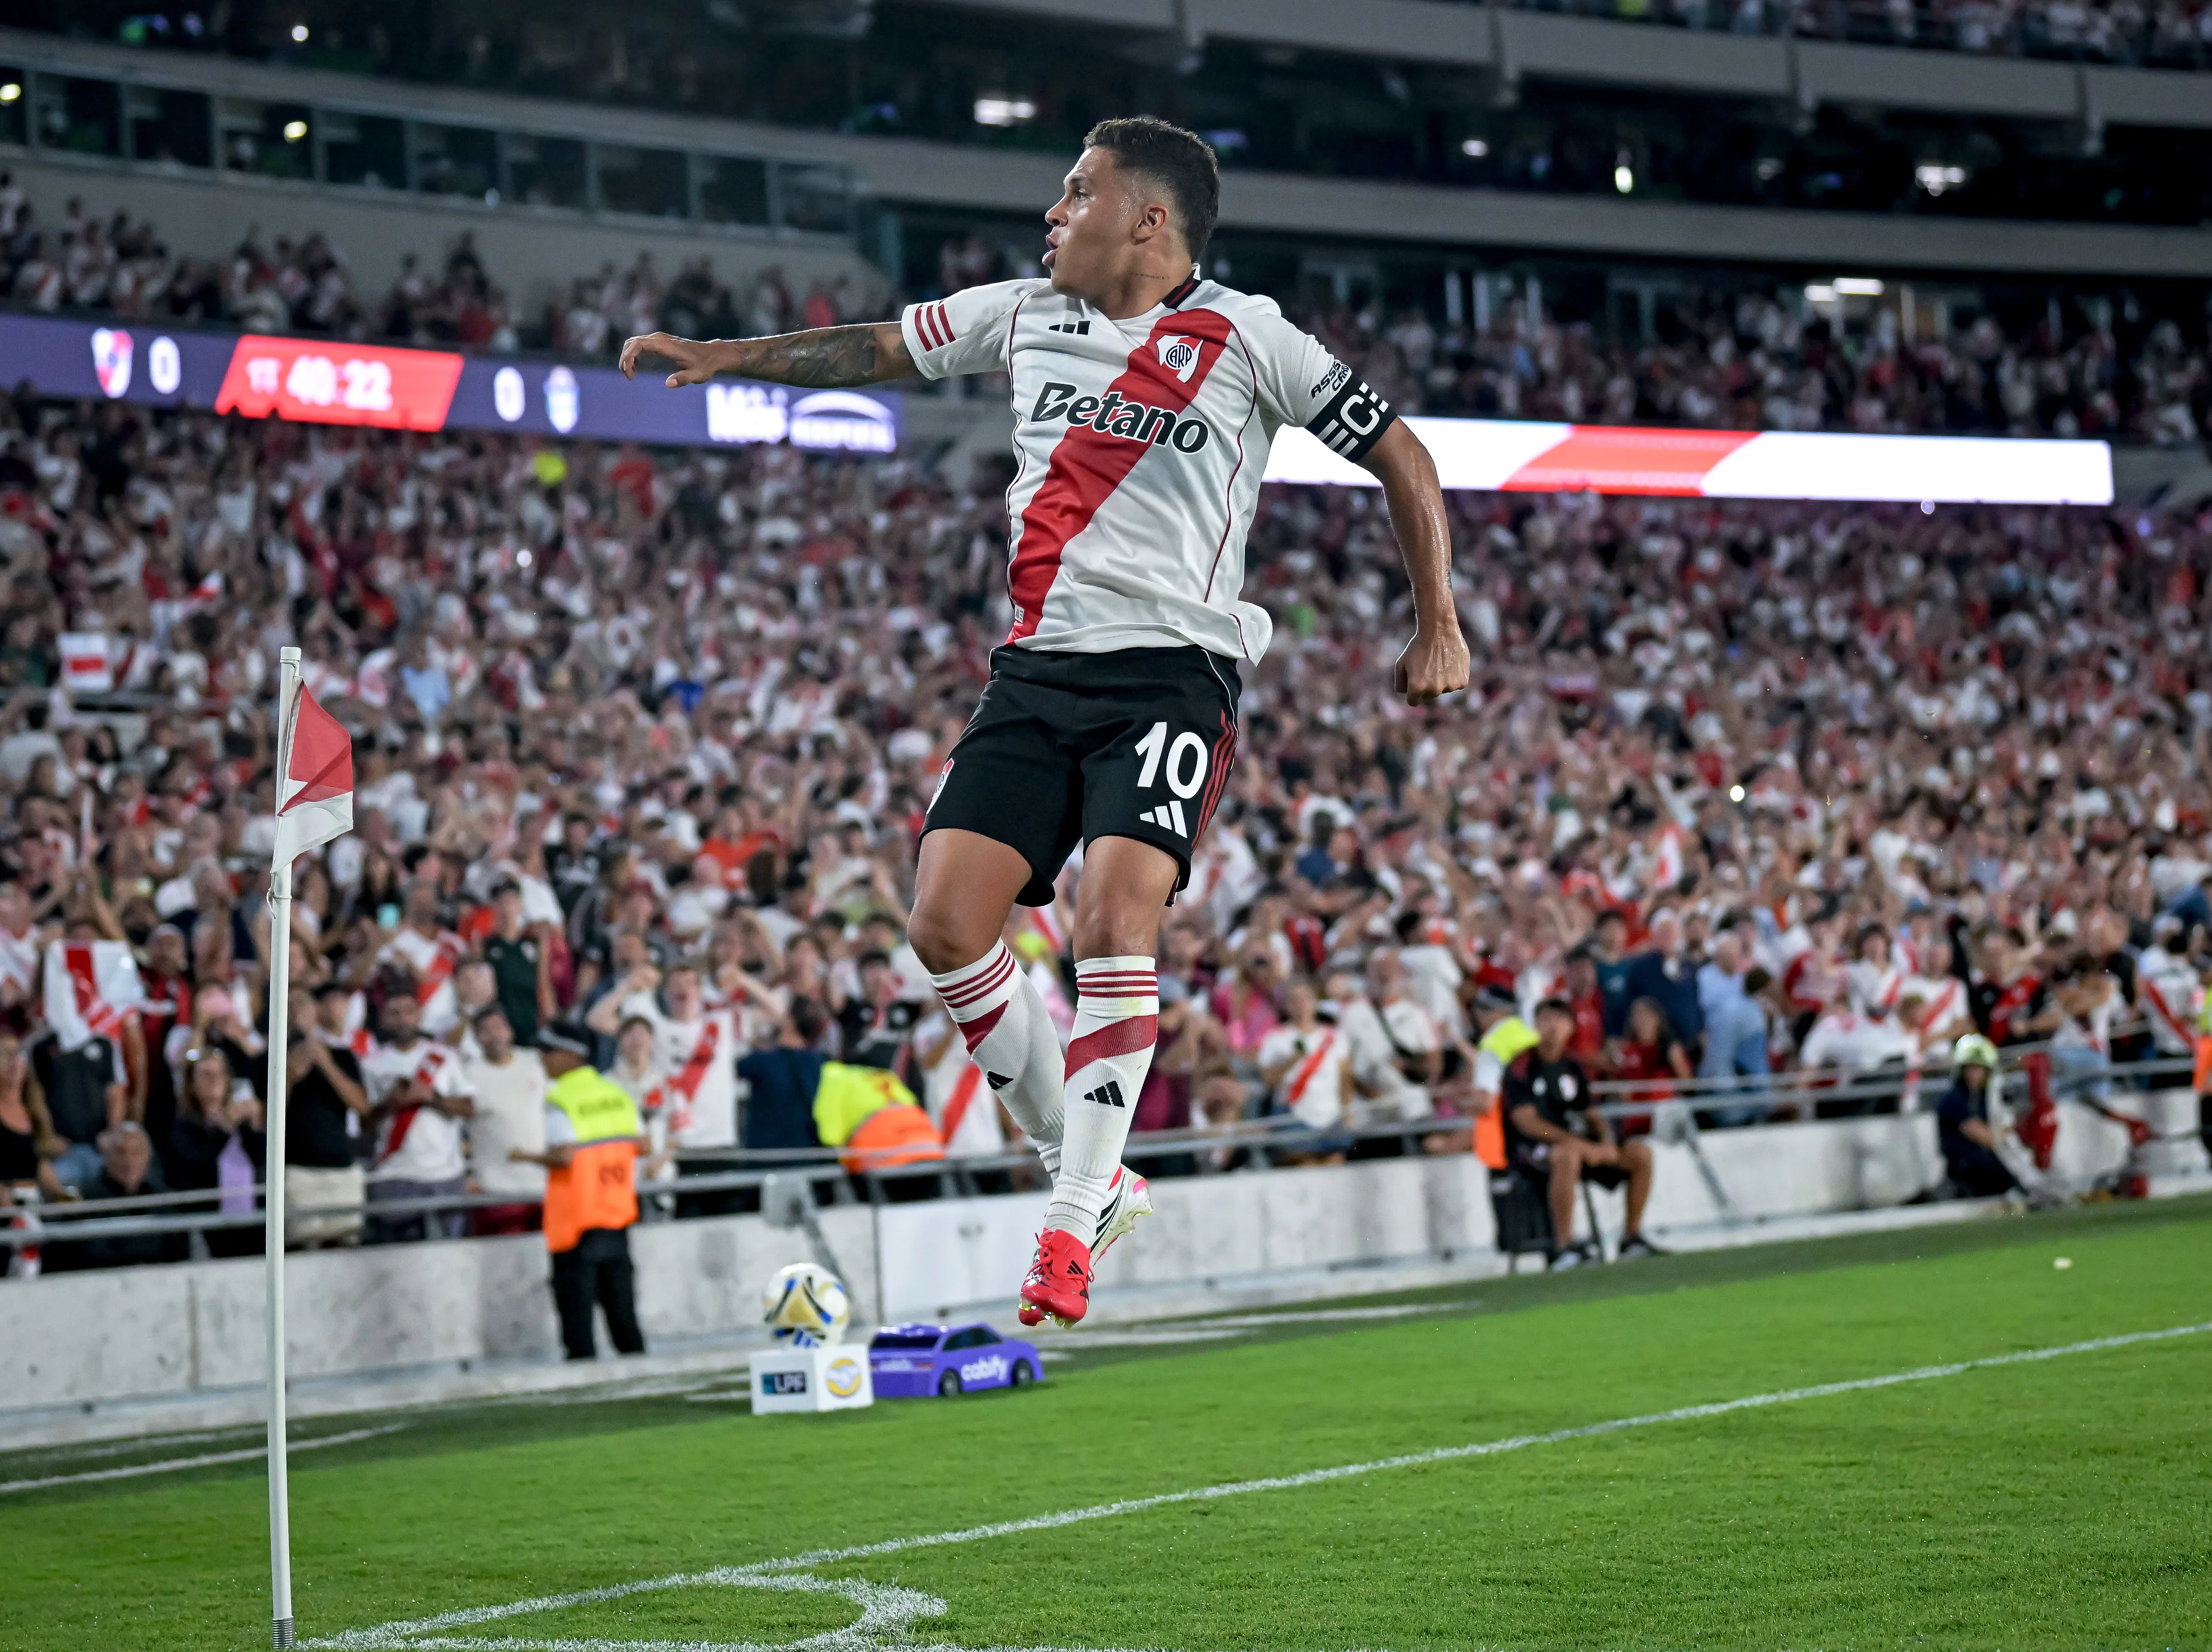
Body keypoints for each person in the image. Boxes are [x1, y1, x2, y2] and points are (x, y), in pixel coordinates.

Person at [623, 114, 1469, 1324]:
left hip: (1171, 672)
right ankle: (1088, 1166)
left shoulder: (1249, 336)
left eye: (1078, 191)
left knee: (1111, 917)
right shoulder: (1024, 313)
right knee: (941, 921)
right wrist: (729, 357)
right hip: (1033, 674)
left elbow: (1400, 455)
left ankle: (1069, 1219)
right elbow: (877, 344)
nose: (1053, 212)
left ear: (1149, 220)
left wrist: (1437, 620)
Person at [510, 1024, 647, 1360]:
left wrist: (524, 1156)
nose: (542, 1060)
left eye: (548, 1052)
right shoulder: (616, 1093)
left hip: (577, 1220)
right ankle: (640, 1375)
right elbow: (644, 1145)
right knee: (623, 1311)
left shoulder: (561, 1099)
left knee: (577, 1316)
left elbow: (564, 1156)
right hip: (616, 1213)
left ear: (571, 1056)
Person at [1502, 998, 1661, 1269]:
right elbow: (1526, 1122)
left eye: (1559, 1020)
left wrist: (1607, 1142)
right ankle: (1565, 1246)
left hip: (1580, 1146)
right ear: (1535, 1025)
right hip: (1533, 1151)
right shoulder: (1523, 1065)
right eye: (1546, 1019)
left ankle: (1631, 1237)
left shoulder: (1572, 1066)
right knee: (1567, 1156)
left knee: (1640, 1154)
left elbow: (1591, 1113)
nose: (1552, 1026)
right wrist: (1577, 1144)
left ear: (1571, 1027)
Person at [360, 989, 475, 1243]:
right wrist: (391, 1104)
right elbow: (363, 1123)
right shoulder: (372, 1064)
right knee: (400, 1255)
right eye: (395, 1013)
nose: (403, 1019)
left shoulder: (444, 1057)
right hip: (395, 1173)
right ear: (383, 1019)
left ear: (420, 1015)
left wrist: (431, 1098)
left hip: (445, 1172)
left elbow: (469, 1108)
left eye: (409, 1012)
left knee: (449, 1252)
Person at [283, 982, 371, 1249]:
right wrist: (291, 1071)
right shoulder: (270, 1058)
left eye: (303, 1003)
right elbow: (268, 1114)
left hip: (341, 1167)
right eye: (290, 1005)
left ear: (316, 1010)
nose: (297, 1011)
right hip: (298, 1170)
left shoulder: (343, 1056)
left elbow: (361, 1105)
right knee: (302, 1249)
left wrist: (324, 1061)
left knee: (347, 1248)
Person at [463, 1005, 548, 1236]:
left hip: (541, 1183)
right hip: (496, 1188)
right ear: (477, 1038)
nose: (495, 1035)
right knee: (504, 1255)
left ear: (510, 1031)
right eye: (486, 1030)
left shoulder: (535, 1063)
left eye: (500, 1027)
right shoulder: (469, 1075)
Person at [1935, 1034, 2018, 1198]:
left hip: (1985, 1159)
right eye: (1970, 1068)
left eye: (1979, 1069)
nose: (1975, 1074)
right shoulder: (1953, 1098)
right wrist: (2009, 1142)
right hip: (1963, 1165)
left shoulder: (1985, 1097)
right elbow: (1984, 1136)